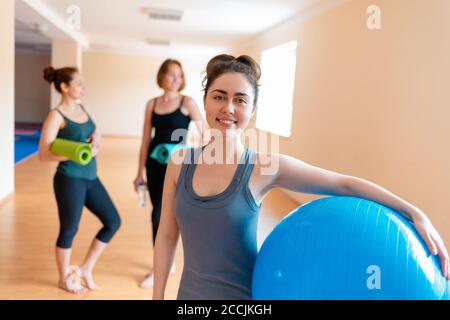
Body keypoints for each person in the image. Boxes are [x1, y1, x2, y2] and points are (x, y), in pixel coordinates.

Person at [152, 54, 450, 300]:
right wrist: (157, 296)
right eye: (220, 96)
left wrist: (414, 212)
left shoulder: (263, 167)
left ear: (252, 110)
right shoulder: (180, 162)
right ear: (204, 102)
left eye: (241, 100)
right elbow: (167, 234)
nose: (229, 108)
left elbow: (341, 183)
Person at [39, 66, 121, 293]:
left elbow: (94, 130)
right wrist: (78, 151)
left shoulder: (81, 108)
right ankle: (64, 279)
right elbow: (44, 154)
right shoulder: (56, 115)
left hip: (91, 177)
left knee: (113, 222)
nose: (84, 88)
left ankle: (85, 269)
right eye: (78, 84)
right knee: (69, 230)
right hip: (69, 179)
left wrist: (96, 140)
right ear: (65, 87)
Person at [133, 59, 208, 288]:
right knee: (157, 213)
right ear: (162, 76)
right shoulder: (152, 103)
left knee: (171, 215)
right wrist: (139, 173)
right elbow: (146, 139)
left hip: (177, 166)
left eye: (179, 75)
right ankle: (164, 265)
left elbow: (205, 132)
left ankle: (168, 263)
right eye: (171, 74)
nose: (175, 79)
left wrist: (196, 157)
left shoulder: (187, 102)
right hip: (154, 164)